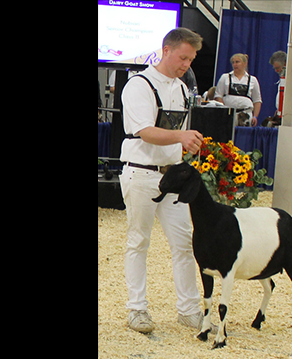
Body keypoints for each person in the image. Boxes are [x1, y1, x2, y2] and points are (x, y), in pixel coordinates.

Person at [119, 27, 212, 335]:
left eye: (191, 59)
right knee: (139, 241)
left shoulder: (183, 88)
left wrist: (189, 143)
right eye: (183, 57)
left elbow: (177, 134)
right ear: (167, 50)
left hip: (173, 175)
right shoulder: (139, 84)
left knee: (184, 244)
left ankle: (188, 310)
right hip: (142, 172)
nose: (186, 64)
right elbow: (144, 131)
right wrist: (181, 136)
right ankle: (137, 309)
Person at [214, 53, 262, 126]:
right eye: (233, 62)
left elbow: (257, 100)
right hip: (229, 114)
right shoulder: (225, 77)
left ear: (245, 63)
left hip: (246, 114)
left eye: (237, 62)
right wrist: (224, 110)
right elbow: (218, 96)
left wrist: (255, 116)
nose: (235, 64)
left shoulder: (252, 80)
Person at [269, 50, 287, 116]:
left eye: (277, 68)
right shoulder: (282, 80)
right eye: (274, 68)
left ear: (285, 64)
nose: (276, 71)